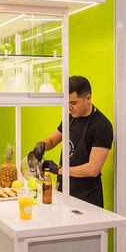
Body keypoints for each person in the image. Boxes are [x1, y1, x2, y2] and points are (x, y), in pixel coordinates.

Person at [32, 76, 113, 208]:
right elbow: (52, 140)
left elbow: (93, 169)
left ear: (88, 98)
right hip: (64, 191)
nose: (69, 107)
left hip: (87, 198)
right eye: (66, 102)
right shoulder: (70, 117)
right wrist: (42, 144)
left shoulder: (102, 126)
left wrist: (58, 170)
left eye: (73, 103)